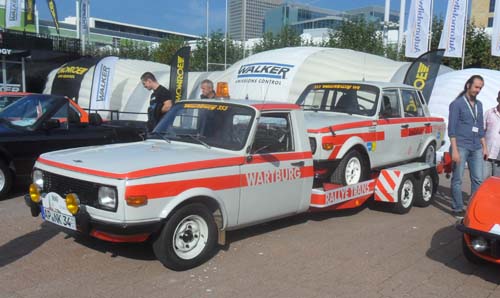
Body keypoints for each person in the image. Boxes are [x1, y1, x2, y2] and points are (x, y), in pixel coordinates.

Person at [448, 75, 488, 217]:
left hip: (476, 146)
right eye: (476, 87)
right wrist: (455, 151)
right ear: (468, 85)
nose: (478, 90)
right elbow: (451, 129)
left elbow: (480, 127)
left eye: (480, 88)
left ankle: (473, 207)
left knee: (478, 179)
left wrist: (484, 146)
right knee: (457, 178)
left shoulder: (479, 105)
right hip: (461, 145)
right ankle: (457, 208)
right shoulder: (457, 104)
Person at [483, 91, 500, 178]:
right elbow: (481, 132)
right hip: (486, 154)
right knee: (483, 181)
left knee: (497, 184)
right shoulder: (489, 113)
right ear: (498, 99)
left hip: (499, 158)